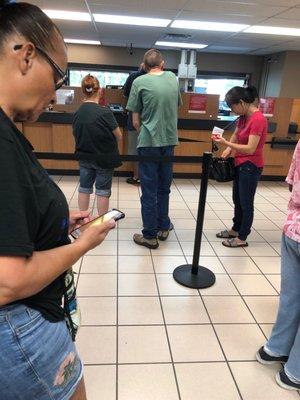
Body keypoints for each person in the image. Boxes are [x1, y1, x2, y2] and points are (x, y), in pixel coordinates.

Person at [0, 3, 116, 400]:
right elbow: (7, 280)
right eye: (58, 74)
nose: (56, 91)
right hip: (19, 330)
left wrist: (54, 221)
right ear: (27, 55)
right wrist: (81, 245)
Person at [256, 140, 300, 392]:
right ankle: (294, 372)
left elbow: (292, 181)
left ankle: (275, 349)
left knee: (291, 296)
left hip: (294, 227)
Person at [126, 49, 181, 249]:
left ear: (143, 65)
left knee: (148, 190)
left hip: (149, 142)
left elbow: (135, 121)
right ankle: (163, 226)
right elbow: (175, 107)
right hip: (169, 141)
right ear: (163, 64)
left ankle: (149, 235)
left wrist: (147, 132)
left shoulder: (139, 82)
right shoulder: (173, 79)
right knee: (164, 187)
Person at [213, 86, 267, 248]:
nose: (232, 110)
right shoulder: (243, 117)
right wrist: (229, 148)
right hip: (240, 164)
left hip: (251, 166)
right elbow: (237, 135)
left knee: (246, 202)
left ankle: (242, 237)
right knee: (237, 200)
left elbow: (251, 148)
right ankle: (236, 229)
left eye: (232, 107)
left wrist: (225, 143)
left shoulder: (258, 119)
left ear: (241, 103)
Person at [73, 74, 122, 215]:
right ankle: (101, 222)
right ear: (99, 90)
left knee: (84, 188)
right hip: (104, 158)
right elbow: (118, 136)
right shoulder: (105, 112)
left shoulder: (77, 112)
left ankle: (82, 218)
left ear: (83, 91)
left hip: (84, 156)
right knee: (102, 191)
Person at [123, 63, 147, 185]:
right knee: (148, 151)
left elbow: (126, 95)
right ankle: (146, 178)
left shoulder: (133, 77)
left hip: (134, 120)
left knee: (135, 150)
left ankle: (136, 177)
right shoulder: (155, 79)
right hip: (150, 121)